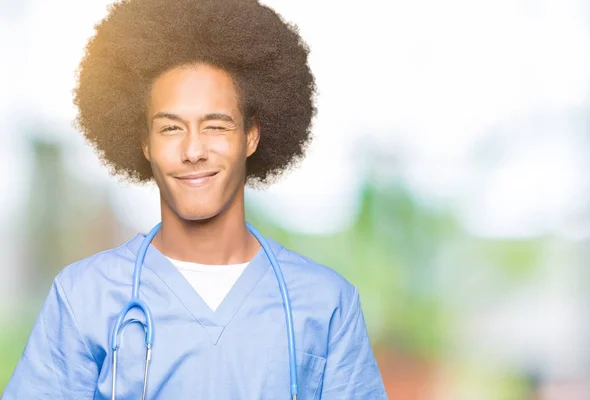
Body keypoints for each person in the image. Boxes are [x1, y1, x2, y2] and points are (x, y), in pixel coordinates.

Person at [2, 0, 387, 399]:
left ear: (250, 136)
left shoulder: (326, 305)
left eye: (216, 126)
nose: (193, 150)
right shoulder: (86, 296)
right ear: (145, 143)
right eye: (170, 128)